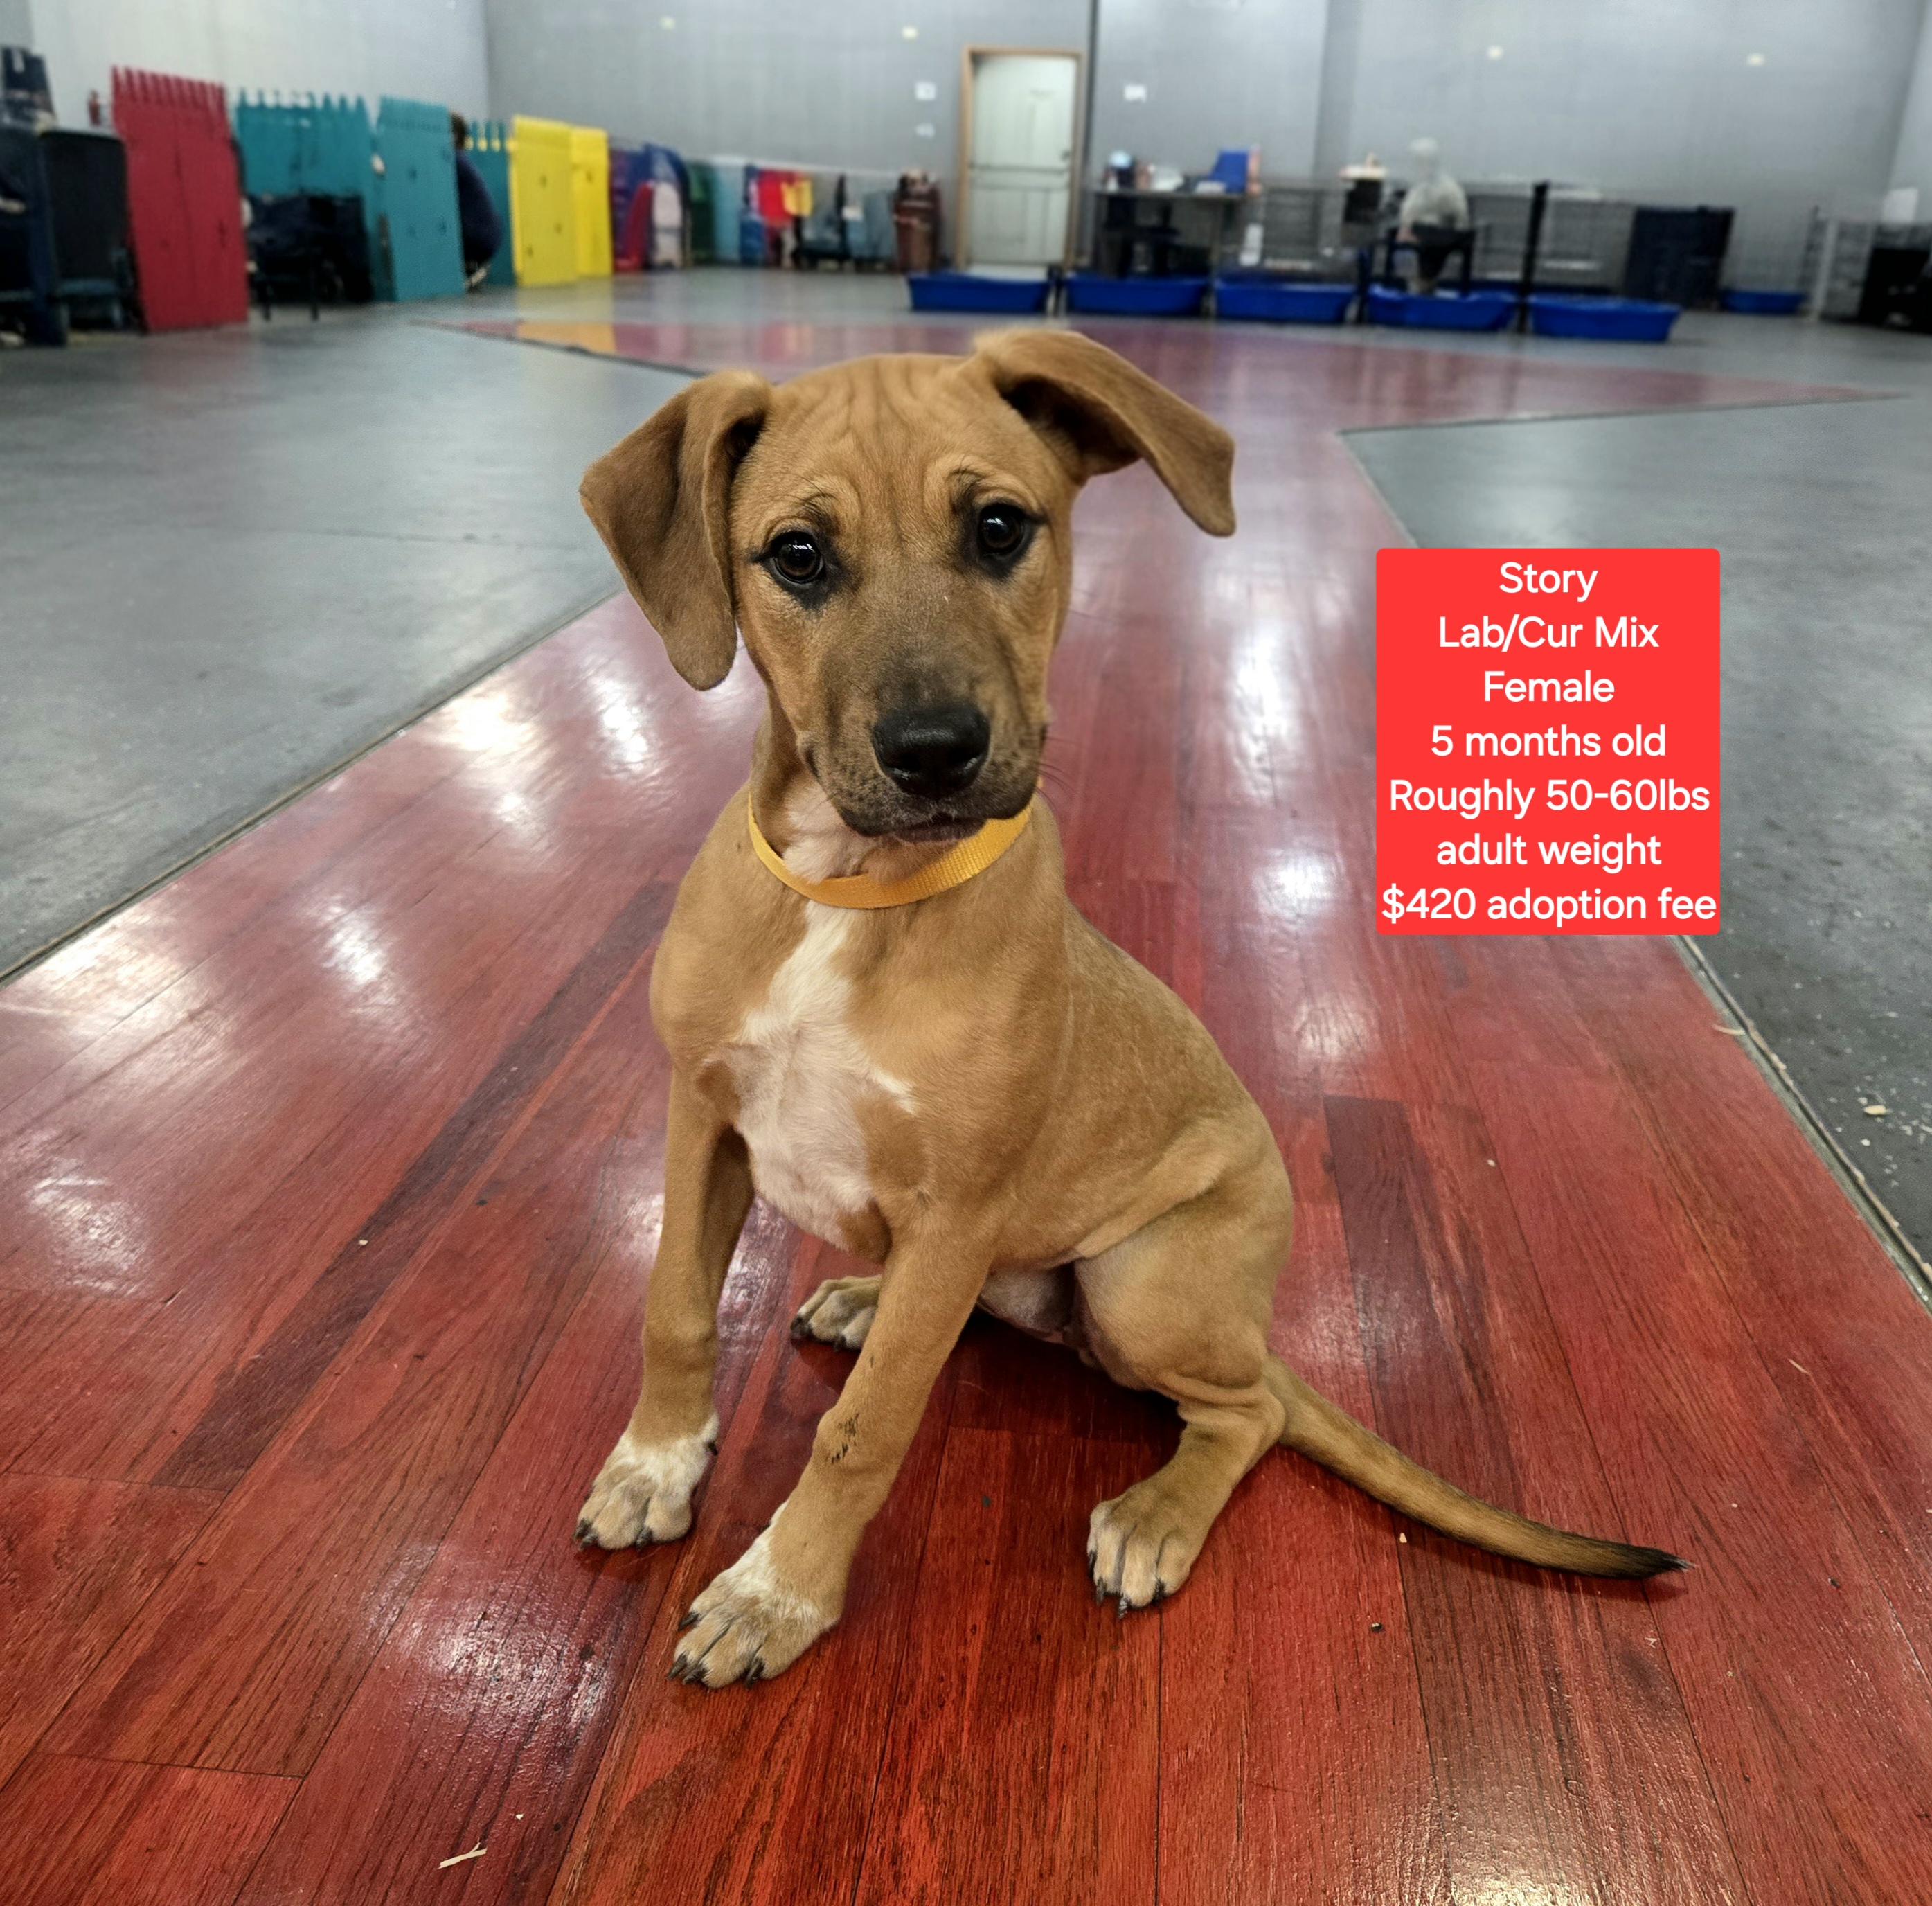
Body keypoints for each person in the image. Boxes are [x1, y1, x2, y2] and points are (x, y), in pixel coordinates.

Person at [1397, 137, 1469, 293]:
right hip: (1421, 236)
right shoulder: (1421, 186)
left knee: (1425, 251)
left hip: (1435, 237)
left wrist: (1411, 230)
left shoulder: (1445, 188)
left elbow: (1457, 218)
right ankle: (1418, 284)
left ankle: (1424, 284)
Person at [449, 113, 503, 289]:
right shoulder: (462, 159)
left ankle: (471, 265)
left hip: (477, 237)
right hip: (487, 236)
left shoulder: (454, 161)